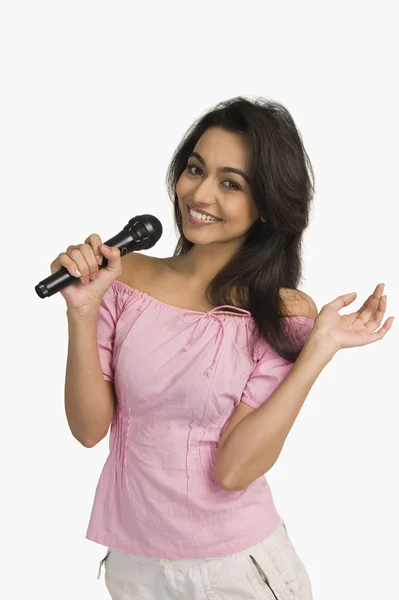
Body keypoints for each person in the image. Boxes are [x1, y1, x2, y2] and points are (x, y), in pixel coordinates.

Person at [51, 97, 394, 600]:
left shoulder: (282, 314)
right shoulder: (125, 280)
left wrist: (318, 351)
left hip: (235, 570)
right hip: (133, 566)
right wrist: (81, 312)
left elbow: (234, 470)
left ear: (265, 207)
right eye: (195, 169)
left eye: (230, 183)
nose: (200, 193)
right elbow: (87, 430)